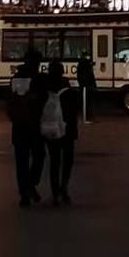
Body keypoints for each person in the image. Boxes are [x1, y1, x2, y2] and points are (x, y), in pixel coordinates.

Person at [39, 59, 81, 205]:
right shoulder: (68, 89)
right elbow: (75, 110)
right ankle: (64, 186)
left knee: (54, 161)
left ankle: (55, 191)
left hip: (52, 128)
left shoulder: (45, 88)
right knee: (68, 159)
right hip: (68, 128)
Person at [6, 52, 46, 206]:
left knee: (21, 161)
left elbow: (9, 99)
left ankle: (24, 193)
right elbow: (44, 98)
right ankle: (31, 185)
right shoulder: (38, 79)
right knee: (39, 156)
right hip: (34, 125)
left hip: (18, 125)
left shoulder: (15, 78)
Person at [76, 52, 97, 123]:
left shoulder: (81, 63)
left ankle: (85, 116)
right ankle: (87, 117)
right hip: (87, 86)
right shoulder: (85, 64)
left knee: (83, 101)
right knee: (87, 102)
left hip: (84, 85)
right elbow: (90, 76)